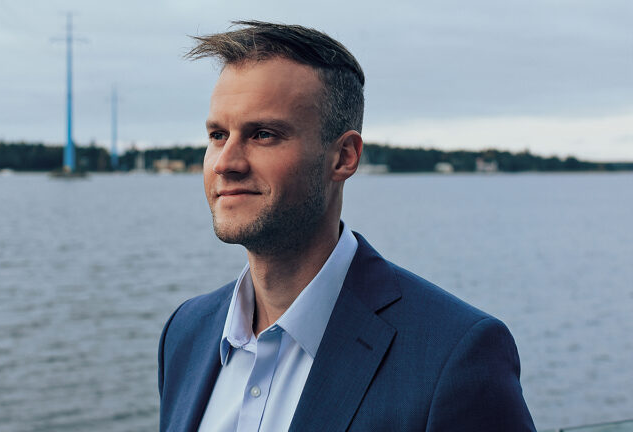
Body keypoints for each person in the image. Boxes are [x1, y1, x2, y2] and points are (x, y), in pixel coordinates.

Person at [158, 21, 535, 432]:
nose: (226, 162)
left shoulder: (455, 355)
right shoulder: (186, 331)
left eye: (263, 134)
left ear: (343, 157)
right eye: (217, 134)